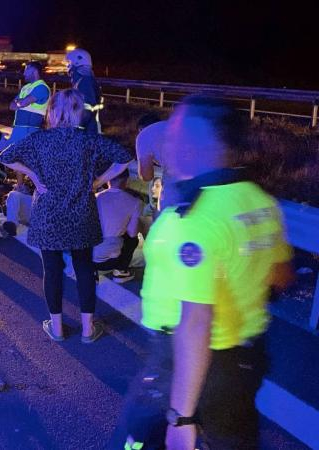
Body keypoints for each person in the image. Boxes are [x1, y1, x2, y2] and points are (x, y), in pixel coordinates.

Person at [110, 96, 294, 450]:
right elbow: (281, 276)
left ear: (204, 143)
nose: (169, 145)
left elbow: (195, 322)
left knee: (133, 439)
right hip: (247, 358)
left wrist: (182, 417)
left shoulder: (194, 219)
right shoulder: (261, 202)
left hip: (186, 363)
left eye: (178, 135)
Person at [0, 89, 132, 343]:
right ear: (77, 112)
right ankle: (88, 330)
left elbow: (6, 156)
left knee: (52, 270)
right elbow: (124, 158)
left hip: (48, 214)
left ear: (52, 111)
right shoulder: (88, 140)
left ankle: (57, 328)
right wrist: (99, 181)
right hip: (81, 212)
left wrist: (33, 175)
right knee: (84, 268)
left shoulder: (40, 139)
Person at [93, 170, 143, 283]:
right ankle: (120, 271)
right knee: (133, 240)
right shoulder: (135, 202)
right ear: (126, 181)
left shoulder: (95, 198)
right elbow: (132, 233)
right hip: (111, 260)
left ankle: (90, 272)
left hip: (87, 256)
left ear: (108, 179)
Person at [0, 61, 50, 150]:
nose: (24, 73)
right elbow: (11, 106)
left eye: (27, 70)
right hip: (19, 128)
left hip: (29, 130)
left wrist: (20, 102)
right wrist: (21, 102)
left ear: (34, 71)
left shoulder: (42, 87)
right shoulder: (26, 87)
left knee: (7, 152)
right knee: (1, 150)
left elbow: (22, 103)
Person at [64, 48, 102, 134]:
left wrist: (76, 125)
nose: (67, 65)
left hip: (84, 123)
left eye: (69, 62)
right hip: (89, 123)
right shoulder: (85, 78)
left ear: (77, 62)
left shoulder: (83, 80)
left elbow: (86, 105)